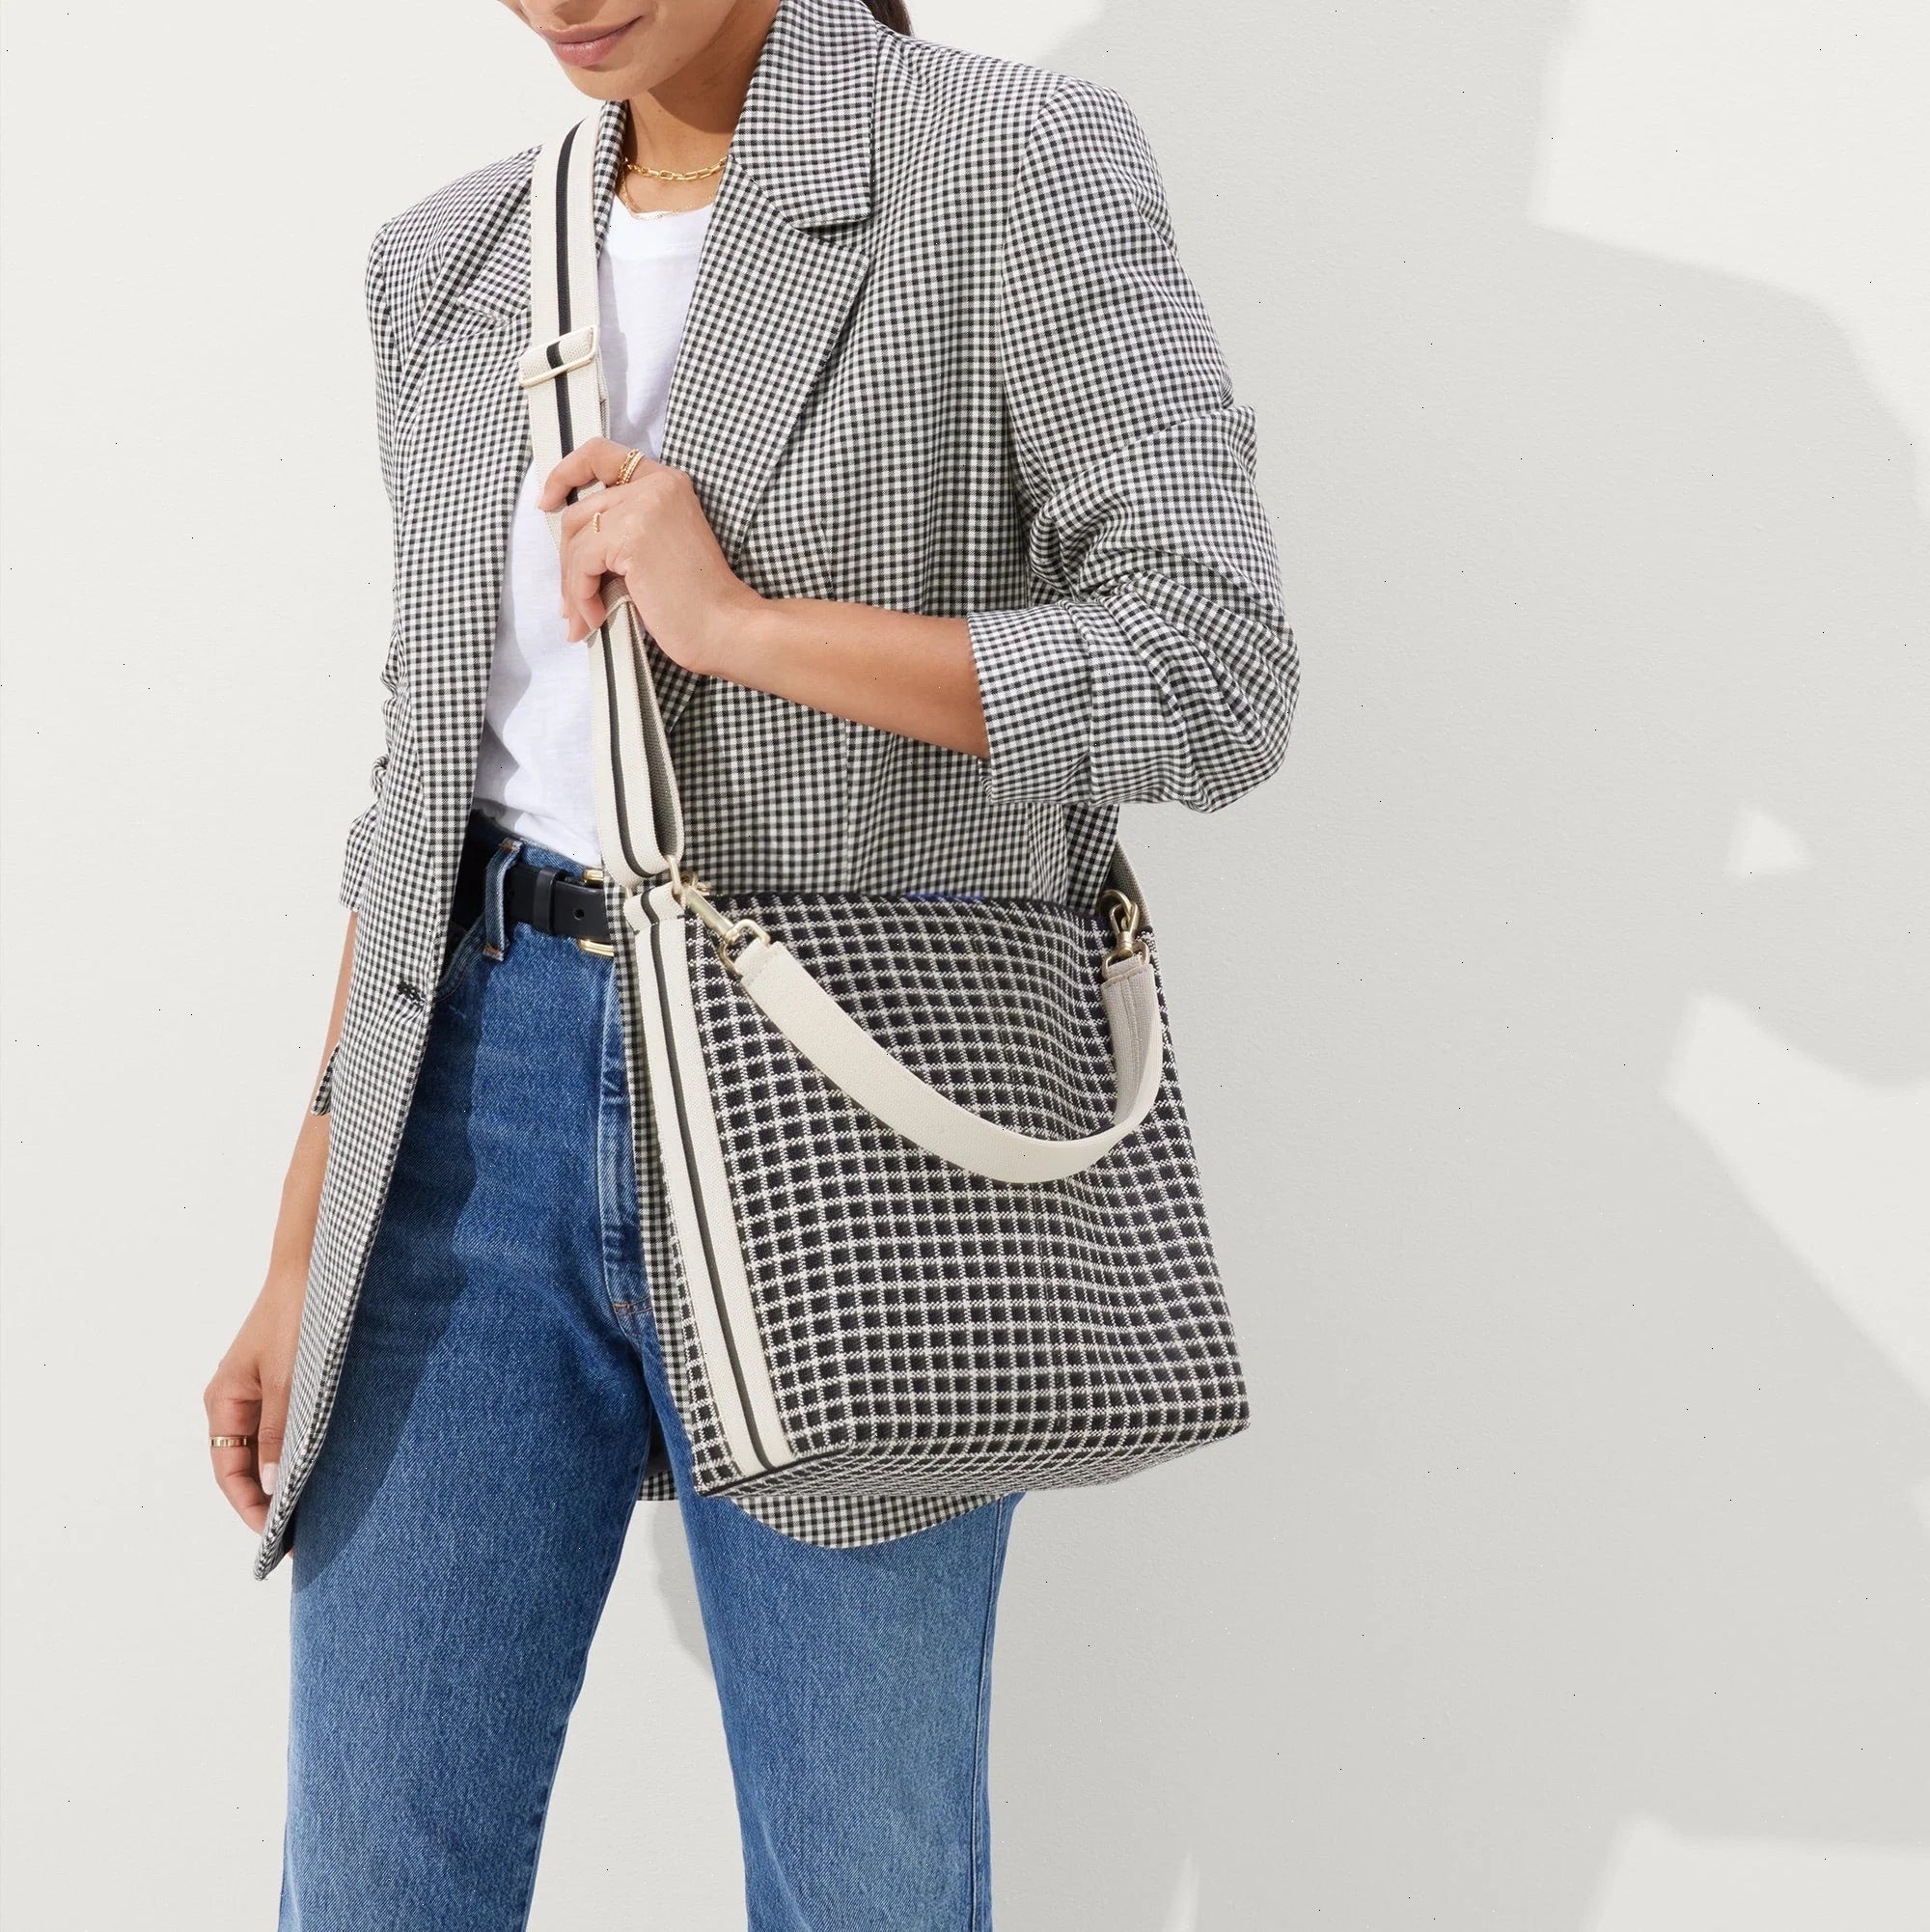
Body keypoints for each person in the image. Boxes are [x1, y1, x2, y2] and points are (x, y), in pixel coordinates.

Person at [204, 0, 1297, 1922]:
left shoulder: (1003, 164)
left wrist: (742, 627)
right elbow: (424, 771)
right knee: (374, 1878)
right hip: (465, 1104)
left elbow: (1210, 673)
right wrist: (309, 1234)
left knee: (863, 1881)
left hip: (852, 1106)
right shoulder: (448, 260)